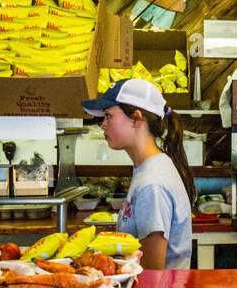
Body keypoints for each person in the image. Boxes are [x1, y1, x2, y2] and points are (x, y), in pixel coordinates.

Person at [81, 78, 195, 269]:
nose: (102, 125)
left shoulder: (152, 183)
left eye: (108, 116)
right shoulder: (149, 167)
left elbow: (151, 273)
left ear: (136, 118)